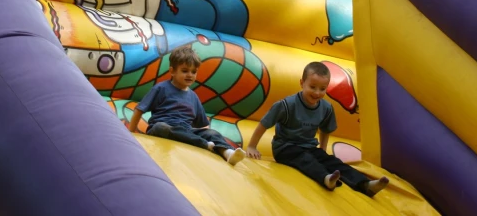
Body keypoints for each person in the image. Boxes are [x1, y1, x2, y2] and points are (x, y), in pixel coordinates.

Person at [246, 62, 389, 196]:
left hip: (308, 147)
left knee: (332, 161)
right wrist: (252, 146)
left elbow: (325, 130)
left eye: (322, 89)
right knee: (306, 160)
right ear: (302, 83)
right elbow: (264, 124)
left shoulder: (326, 108)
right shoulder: (286, 105)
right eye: (312, 87)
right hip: (285, 148)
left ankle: (365, 184)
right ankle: (326, 179)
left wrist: (323, 149)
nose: (317, 93)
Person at [127, 45, 246, 165]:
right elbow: (139, 109)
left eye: (194, 72)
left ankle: (227, 152)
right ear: (172, 71)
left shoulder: (193, 97)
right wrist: (130, 134)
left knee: (212, 133)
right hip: (164, 130)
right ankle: (203, 144)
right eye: (185, 71)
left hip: (187, 132)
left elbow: (203, 125)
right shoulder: (161, 88)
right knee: (160, 127)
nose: (190, 75)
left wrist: (205, 135)